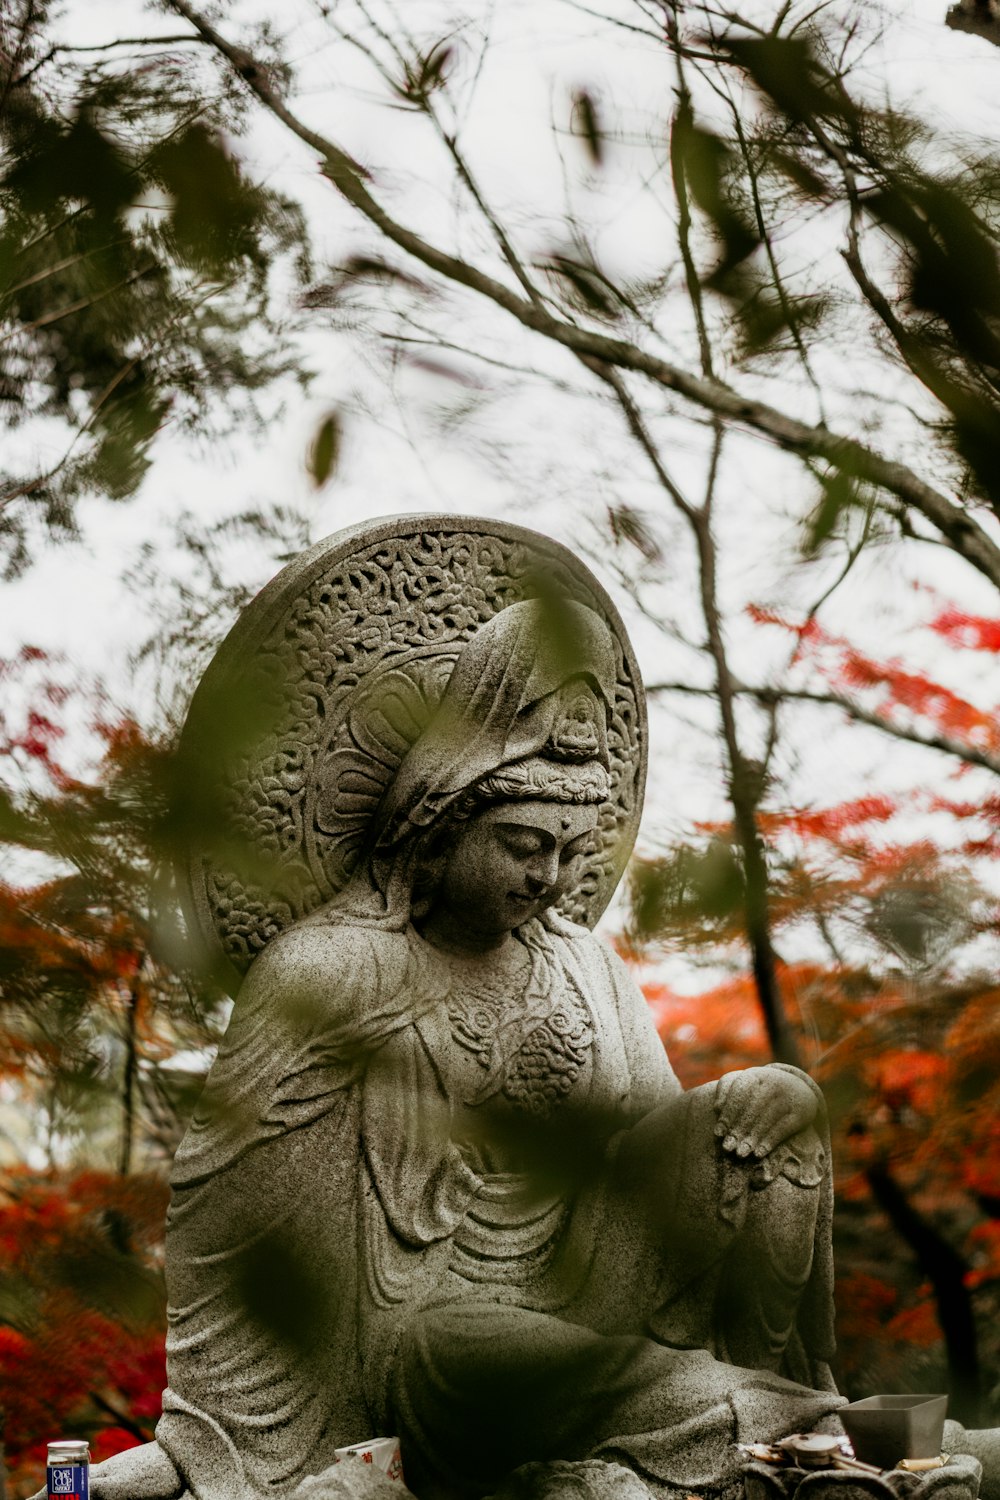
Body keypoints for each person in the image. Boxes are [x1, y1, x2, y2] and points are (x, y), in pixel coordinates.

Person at [89, 599, 848, 1500]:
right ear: (439, 827)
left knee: (772, 1118)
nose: (550, 879)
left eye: (570, 852)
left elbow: (660, 1162)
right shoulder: (338, 972)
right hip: (432, 1338)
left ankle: (785, 1421)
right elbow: (234, 1215)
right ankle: (795, 1436)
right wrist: (207, 1437)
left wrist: (777, 1096)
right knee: (573, 1372)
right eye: (523, 845)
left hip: (597, 1279)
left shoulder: (585, 965)